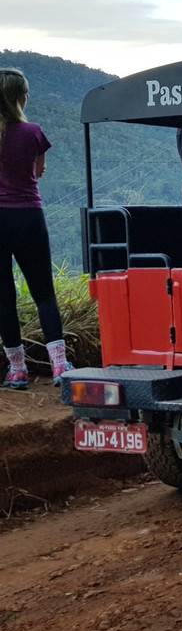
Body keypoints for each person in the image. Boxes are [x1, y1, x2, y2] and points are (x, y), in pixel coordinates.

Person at [0, 68, 71, 390]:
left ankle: (17, 370)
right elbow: (38, 172)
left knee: (3, 297)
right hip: (28, 215)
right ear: (20, 97)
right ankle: (59, 366)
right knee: (44, 292)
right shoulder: (33, 132)